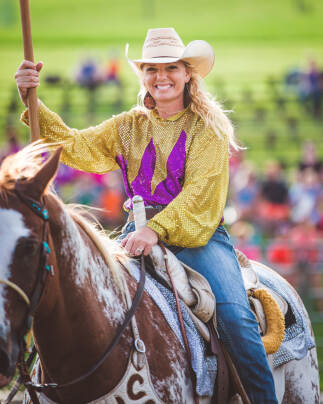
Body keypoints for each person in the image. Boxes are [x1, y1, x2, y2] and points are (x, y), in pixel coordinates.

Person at [15, 27, 278, 403]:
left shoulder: (208, 129)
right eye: (152, 69)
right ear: (143, 76)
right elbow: (77, 147)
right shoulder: (128, 126)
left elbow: (199, 196)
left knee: (236, 319)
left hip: (198, 240)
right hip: (136, 235)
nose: (161, 77)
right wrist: (33, 100)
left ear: (188, 73)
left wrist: (156, 229)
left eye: (171, 67)